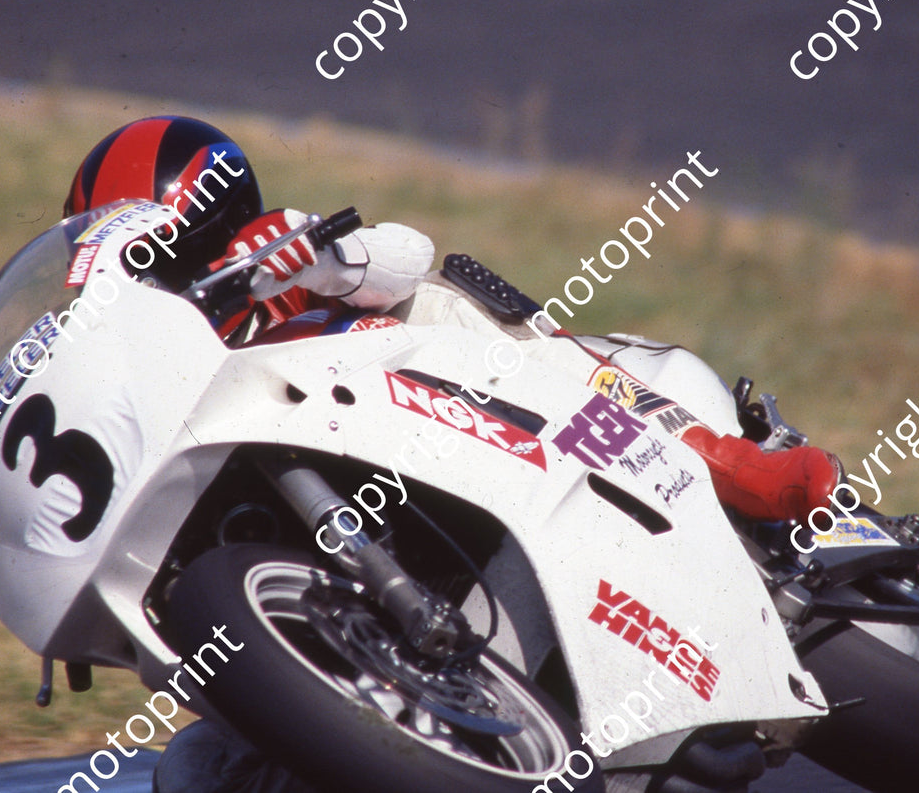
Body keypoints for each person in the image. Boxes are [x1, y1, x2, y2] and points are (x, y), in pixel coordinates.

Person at [62, 116, 840, 792]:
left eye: (150, 255)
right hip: (385, 609)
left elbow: (408, 250)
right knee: (191, 767)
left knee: (445, 300)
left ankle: (729, 463)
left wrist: (317, 261)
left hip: (492, 447)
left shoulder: (289, 277)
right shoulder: (142, 384)